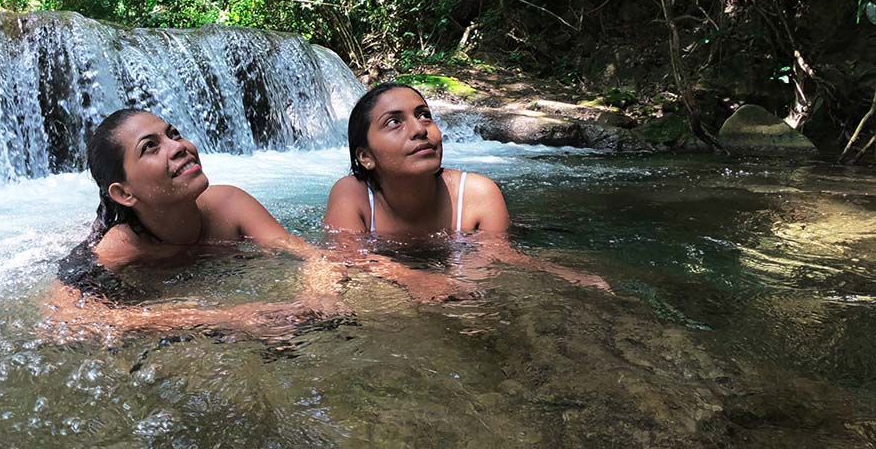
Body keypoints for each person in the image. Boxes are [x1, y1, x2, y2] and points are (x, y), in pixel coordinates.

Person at [43, 109, 347, 343]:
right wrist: (223, 318)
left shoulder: (231, 205)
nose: (178, 147)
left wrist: (318, 296)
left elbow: (311, 255)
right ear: (124, 193)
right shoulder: (119, 247)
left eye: (173, 134)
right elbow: (63, 320)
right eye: (150, 147)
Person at [323, 83, 608, 290]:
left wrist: (559, 273)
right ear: (366, 157)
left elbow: (496, 258)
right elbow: (345, 258)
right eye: (394, 122)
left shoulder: (478, 194)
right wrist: (414, 278)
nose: (420, 129)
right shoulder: (353, 194)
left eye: (424, 115)